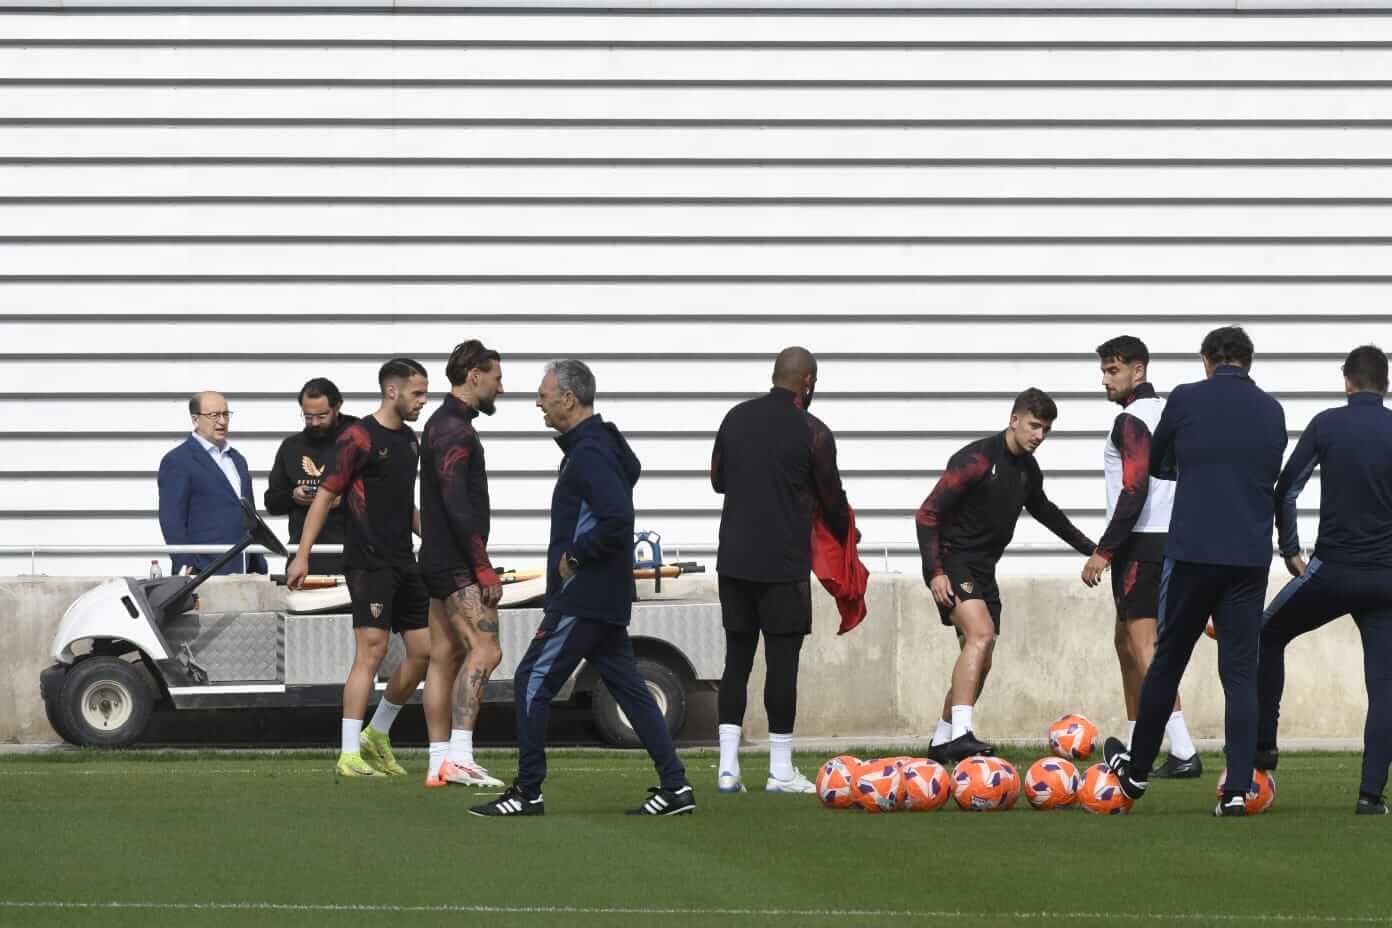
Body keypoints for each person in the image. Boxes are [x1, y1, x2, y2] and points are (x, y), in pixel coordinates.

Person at [470, 359, 694, 817]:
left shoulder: (590, 451)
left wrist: (574, 557)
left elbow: (616, 520)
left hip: (585, 596)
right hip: (604, 596)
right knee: (630, 689)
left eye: (544, 393)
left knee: (531, 680)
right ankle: (676, 788)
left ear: (568, 399)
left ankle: (527, 792)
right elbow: (624, 485)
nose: (538, 401)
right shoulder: (597, 445)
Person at [1104, 326, 1287, 817]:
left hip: (1191, 550)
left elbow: (1160, 464)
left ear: (1208, 360)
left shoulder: (1184, 399)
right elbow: (1270, 469)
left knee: (1168, 661)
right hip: (1249, 555)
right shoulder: (1272, 409)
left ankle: (1136, 773)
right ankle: (1236, 789)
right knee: (1241, 673)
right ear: (1248, 362)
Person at [916, 388, 1095, 764]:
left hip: (984, 569)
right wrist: (934, 572)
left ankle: (940, 741)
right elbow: (927, 514)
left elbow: (1047, 513)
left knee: (983, 655)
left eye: (1045, 430)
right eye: (1033, 426)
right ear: (1014, 420)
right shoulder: (977, 459)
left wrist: (1092, 550)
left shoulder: (1028, 471)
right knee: (980, 635)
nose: (1039, 436)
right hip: (953, 561)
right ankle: (963, 733)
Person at [709, 346, 852, 795]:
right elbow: (832, 500)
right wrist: (847, 538)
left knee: (736, 661)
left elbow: (718, 479)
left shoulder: (735, 418)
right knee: (782, 666)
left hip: (733, 559)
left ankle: (728, 769)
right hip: (784, 564)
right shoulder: (814, 432)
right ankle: (780, 770)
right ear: (807, 381)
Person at [1257, 345, 1392, 815]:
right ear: (1386, 385)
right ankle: (1371, 796)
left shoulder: (1328, 423)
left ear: (1347, 382)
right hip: (1385, 581)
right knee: (1384, 687)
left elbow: (1287, 488)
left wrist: (1291, 549)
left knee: (1266, 634)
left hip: (1332, 571)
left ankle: (1263, 750)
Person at [286, 359, 432, 779]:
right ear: (392, 391)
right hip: (367, 561)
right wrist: (303, 554)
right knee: (372, 651)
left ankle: (377, 733)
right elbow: (325, 496)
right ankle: (349, 752)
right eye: (417, 393)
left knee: (424, 653)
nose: (423, 401)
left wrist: (434, 537)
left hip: (405, 561)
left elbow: (404, 505)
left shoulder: (409, 441)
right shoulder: (359, 437)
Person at [1080, 336, 1200, 778]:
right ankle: (1135, 741)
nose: (1105, 379)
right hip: (1174, 540)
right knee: (1125, 642)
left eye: (1114, 370)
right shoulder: (1170, 413)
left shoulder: (1130, 420)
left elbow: (1134, 490)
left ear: (1139, 371)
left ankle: (1183, 750)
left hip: (1141, 544)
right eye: (1104, 370)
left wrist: (1103, 550)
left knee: (1145, 647)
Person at [420, 340, 506, 790]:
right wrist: (482, 566)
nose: (501, 387)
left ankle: (438, 763)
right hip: (456, 562)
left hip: (437, 559)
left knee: (445, 656)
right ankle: (460, 756)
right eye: (496, 377)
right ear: (474, 374)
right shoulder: (455, 428)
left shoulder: (442, 423)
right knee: (487, 650)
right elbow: (456, 504)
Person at [157, 391, 268, 576]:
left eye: (226, 414)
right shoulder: (178, 460)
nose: (222, 421)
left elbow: (250, 514)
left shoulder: (237, 459)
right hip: (203, 569)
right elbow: (172, 519)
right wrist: (184, 563)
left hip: (245, 567)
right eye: (214, 415)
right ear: (195, 419)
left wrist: (258, 560)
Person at [264, 378, 357, 575]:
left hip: (354, 556)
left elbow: (381, 495)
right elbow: (271, 502)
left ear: (337, 406)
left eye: (322, 416)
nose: (314, 423)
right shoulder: (291, 447)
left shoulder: (358, 440)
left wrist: (342, 500)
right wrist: (293, 496)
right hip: (304, 560)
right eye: (308, 417)